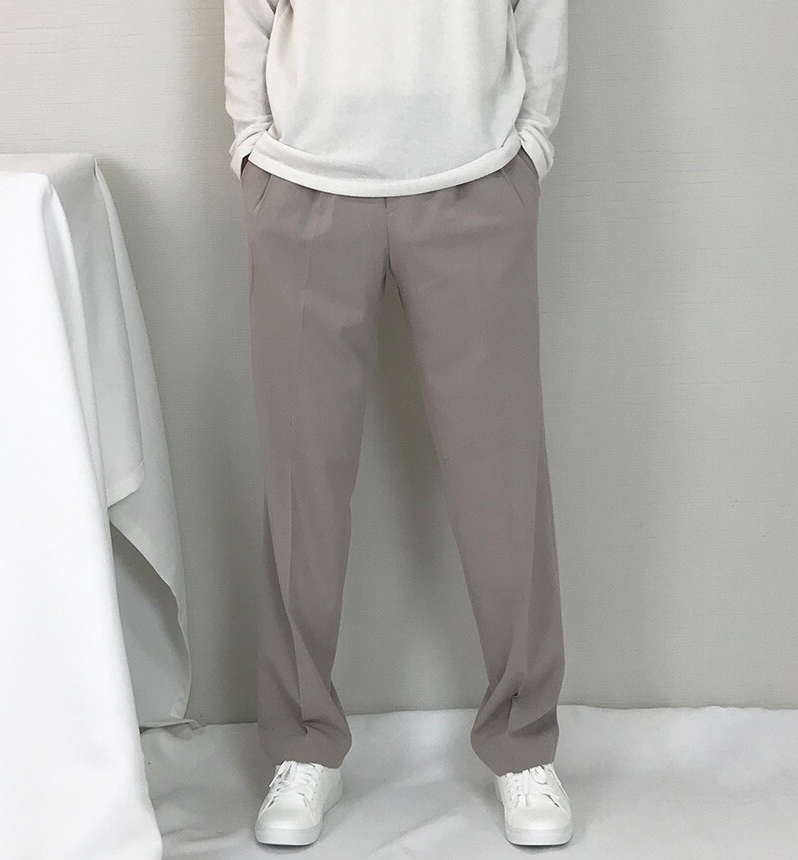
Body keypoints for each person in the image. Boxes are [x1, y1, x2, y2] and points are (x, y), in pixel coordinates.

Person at [224, 0, 571, 848]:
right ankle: (304, 741)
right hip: (304, 180)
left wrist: (532, 142)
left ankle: (524, 742)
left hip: (474, 178)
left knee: (502, 483)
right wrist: (251, 144)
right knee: (302, 480)